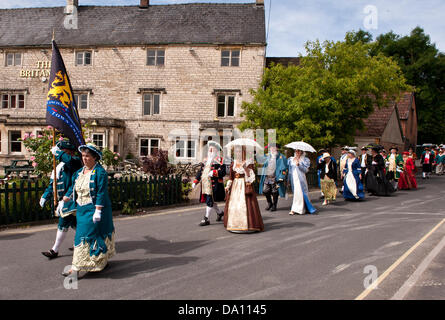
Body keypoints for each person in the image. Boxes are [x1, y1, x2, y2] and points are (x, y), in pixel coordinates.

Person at [61, 143, 115, 277]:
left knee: (82, 236)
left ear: (95, 158)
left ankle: (75, 268)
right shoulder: (79, 172)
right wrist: (66, 198)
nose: (84, 159)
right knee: (92, 236)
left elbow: (101, 193)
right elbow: (73, 187)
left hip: (94, 209)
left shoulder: (100, 173)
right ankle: (100, 261)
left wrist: (98, 210)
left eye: (88, 156)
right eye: (83, 156)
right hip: (81, 209)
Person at [40, 140, 82, 259]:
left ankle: (55, 250)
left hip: (71, 200)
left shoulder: (75, 163)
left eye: (64, 152)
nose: (59, 155)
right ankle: (84, 242)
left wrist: (60, 154)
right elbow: (52, 185)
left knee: (63, 223)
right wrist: (45, 195)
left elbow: (71, 163)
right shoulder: (58, 168)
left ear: (70, 152)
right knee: (76, 224)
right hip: (62, 200)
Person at [224, 145, 264, 233]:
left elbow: (251, 177)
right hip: (235, 186)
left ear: (243, 152)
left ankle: (249, 225)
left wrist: (245, 167)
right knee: (234, 205)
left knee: (247, 204)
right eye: (236, 152)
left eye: (239, 151)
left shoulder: (249, 162)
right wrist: (228, 185)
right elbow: (231, 177)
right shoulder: (233, 163)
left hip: (244, 184)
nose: (238, 153)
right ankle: (234, 224)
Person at [192, 141, 226, 226]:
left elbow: (223, 172)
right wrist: (195, 181)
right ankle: (220, 213)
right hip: (205, 185)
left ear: (216, 151)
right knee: (211, 201)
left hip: (214, 185)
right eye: (209, 149)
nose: (210, 151)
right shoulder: (205, 160)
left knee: (210, 201)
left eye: (212, 149)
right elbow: (200, 172)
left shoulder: (220, 160)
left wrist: (214, 172)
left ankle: (206, 218)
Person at [258, 143, 288, 212]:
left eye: (273, 147)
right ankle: (270, 203)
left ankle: (274, 205)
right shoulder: (267, 156)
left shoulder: (281, 157)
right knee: (265, 191)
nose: (272, 149)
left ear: (277, 148)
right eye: (271, 147)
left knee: (275, 192)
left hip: (276, 177)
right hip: (267, 176)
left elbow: (284, 169)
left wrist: (281, 177)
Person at [288, 149, 316, 215]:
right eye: (296, 151)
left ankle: (297, 209)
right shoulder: (291, 159)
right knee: (296, 194)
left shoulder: (305, 160)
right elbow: (289, 170)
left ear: (302, 152)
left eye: (299, 151)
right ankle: (297, 209)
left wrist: (299, 165)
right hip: (294, 179)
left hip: (301, 179)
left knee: (301, 194)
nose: (297, 152)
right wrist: (288, 179)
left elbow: (306, 170)